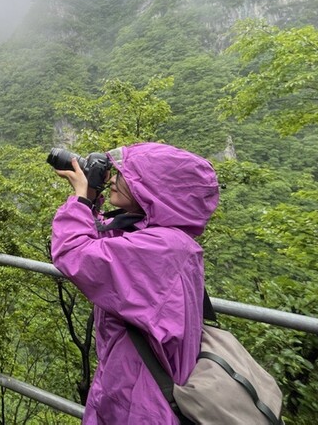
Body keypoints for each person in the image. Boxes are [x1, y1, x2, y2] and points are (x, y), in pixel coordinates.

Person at [50, 142, 219, 424]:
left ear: (153, 188)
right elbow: (105, 247)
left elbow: (74, 254)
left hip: (141, 400)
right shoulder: (159, 236)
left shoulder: (164, 247)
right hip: (127, 381)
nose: (113, 179)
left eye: (124, 175)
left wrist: (80, 199)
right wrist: (91, 198)